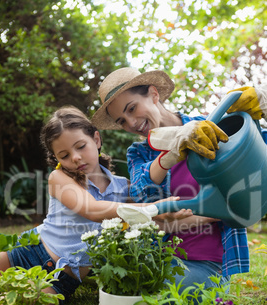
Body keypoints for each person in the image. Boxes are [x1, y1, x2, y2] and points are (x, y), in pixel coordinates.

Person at [91, 68, 266, 291]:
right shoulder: (139, 152)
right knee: (115, 270)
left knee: (165, 290)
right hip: (163, 256)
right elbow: (141, 195)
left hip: (210, 262)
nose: (131, 123)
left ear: (154, 94)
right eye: (122, 120)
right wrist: (169, 155)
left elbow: (256, 159)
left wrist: (262, 104)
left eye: (132, 109)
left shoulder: (211, 127)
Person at [0, 106, 192, 305]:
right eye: (64, 155)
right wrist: (152, 210)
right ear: (56, 159)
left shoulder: (123, 187)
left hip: (63, 280)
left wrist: (164, 213)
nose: (75, 157)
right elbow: (92, 209)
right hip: (29, 254)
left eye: (80, 146)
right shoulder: (60, 178)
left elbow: (141, 219)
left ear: (97, 140)